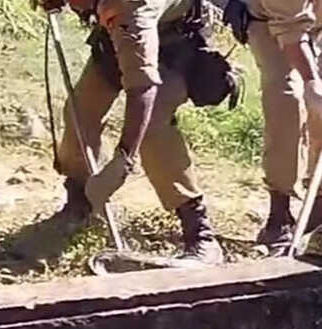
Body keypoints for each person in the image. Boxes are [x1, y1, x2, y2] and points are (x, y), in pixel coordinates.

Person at [21, 0, 240, 267]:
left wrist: (123, 160)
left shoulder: (129, 6)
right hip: (117, 39)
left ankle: (200, 234)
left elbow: (143, 89)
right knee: (80, 112)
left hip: (173, 45)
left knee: (151, 127)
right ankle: (79, 203)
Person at [222, 0, 322, 255]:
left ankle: (319, 220)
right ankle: (279, 217)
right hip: (272, 27)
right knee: (287, 101)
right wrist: (311, 85)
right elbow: (292, 34)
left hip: (319, 24)